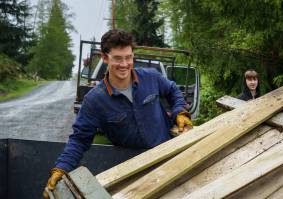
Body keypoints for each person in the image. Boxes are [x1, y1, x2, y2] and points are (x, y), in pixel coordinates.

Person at [43, 29, 192, 197]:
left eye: (128, 57)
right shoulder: (95, 100)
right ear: (105, 58)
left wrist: (180, 112)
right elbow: (79, 139)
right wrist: (62, 168)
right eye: (118, 58)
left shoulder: (151, 77)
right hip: (131, 171)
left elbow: (173, 90)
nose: (124, 64)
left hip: (168, 159)